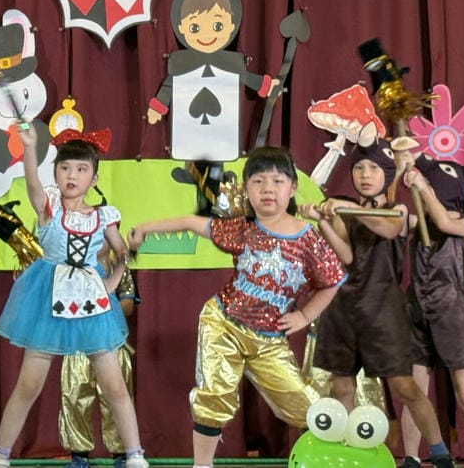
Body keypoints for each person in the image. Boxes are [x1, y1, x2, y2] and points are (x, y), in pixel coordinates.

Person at [128, 145, 344, 468]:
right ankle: (202, 465)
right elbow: (190, 222)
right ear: (246, 189)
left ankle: (332, 458)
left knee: (307, 406)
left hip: (268, 340)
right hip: (224, 323)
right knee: (215, 395)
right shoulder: (243, 229)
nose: (268, 189)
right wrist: (145, 228)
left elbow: (333, 280)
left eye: (277, 181)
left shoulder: (308, 238)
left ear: (292, 188)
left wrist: (304, 315)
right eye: (258, 181)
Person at [0, 125, 146, 468]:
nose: (72, 175)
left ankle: (135, 454)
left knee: (114, 385)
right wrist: (29, 148)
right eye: (65, 168)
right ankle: (0, 455)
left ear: (94, 178)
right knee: (29, 384)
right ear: (56, 172)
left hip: (92, 302)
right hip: (48, 299)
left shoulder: (104, 216)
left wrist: (113, 280)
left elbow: (121, 253)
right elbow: (32, 184)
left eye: (81, 169)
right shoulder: (49, 208)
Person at [302, 141, 460, 468]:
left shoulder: (397, 210)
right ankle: (345, 455)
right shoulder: (344, 212)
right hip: (343, 309)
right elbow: (345, 256)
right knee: (342, 387)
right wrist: (322, 220)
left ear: (387, 175)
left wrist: (346, 209)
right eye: (359, 168)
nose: (365, 175)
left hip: (384, 311)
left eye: (373, 168)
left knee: (406, 387)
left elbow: (388, 229)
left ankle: (440, 453)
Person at [400, 156, 464, 468]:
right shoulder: (419, 224)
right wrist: (399, 170)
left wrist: (423, 187)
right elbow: (392, 220)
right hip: (416, 311)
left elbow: (445, 224)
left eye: (430, 185)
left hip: (453, 312)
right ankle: (411, 456)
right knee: (414, 392)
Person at [59, 265, 139, 468]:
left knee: (116, 398)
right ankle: (79, 457)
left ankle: (122, 455)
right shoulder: (69, 267)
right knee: (74, 396)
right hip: (77, 343)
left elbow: (128, 304)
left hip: (111, 342)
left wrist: (99, 308)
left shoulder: (117, 266)